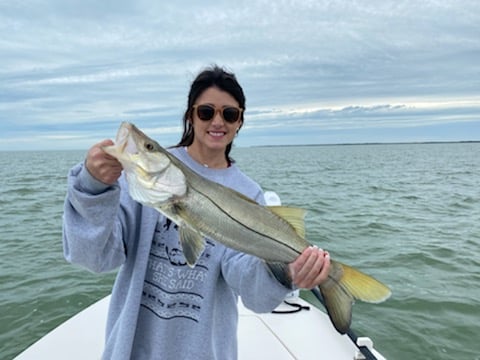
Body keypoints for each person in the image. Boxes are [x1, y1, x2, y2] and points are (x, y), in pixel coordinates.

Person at [62, 65, 330, 360]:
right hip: (131, 349)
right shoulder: (139, 180)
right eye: (206, 112)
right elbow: (94, 257)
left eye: (229, 114)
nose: (218, 121)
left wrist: (287, 273)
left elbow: (247, 283)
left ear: (240, 121)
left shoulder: (249, 192)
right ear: (190, 115)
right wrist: (92, 188)